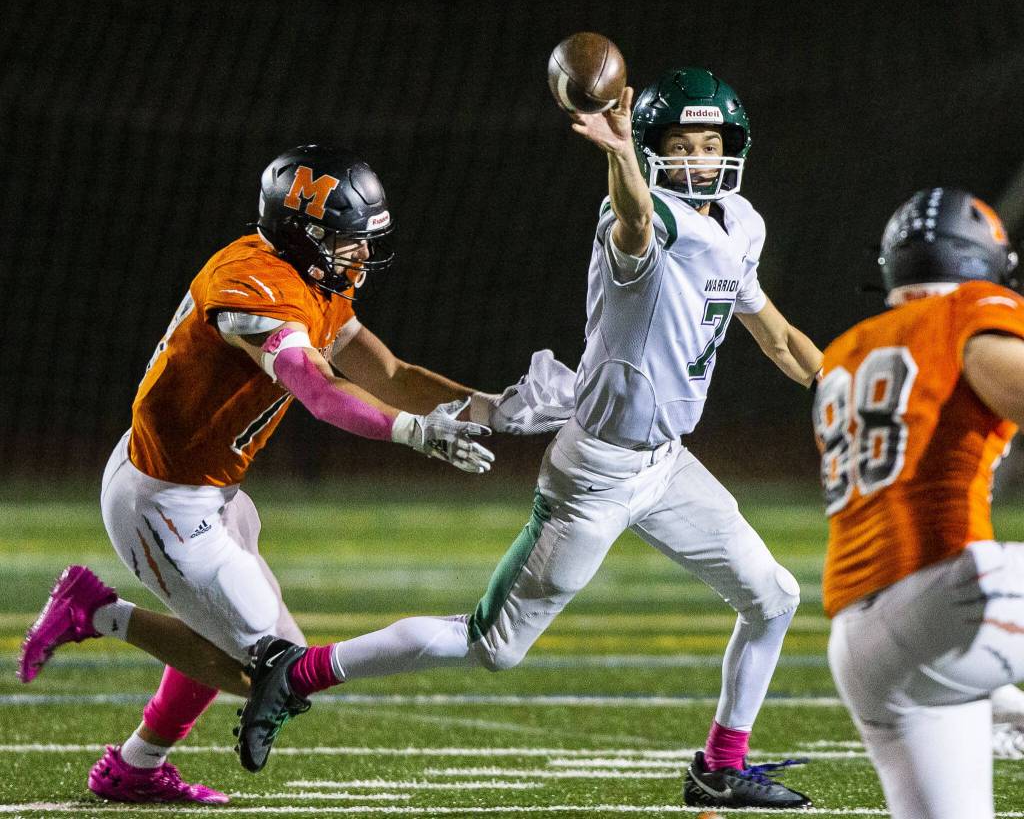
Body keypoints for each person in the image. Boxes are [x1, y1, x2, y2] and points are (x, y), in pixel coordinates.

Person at [236, 69, 823, 809]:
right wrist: (619, 155)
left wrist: (838, 389)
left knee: (773, 598)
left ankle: (720, 766)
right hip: (597, 473)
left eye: (710, 144)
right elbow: (637, 219)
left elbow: (775, 336)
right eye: (680, 145)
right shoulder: (644, 220)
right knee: (492, 647)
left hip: (669, 466)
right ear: (650, 151)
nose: (698, 160)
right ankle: (298, 672)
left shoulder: (739, 223)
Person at [17, 144, 524, 804]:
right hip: (164, 502)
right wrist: (413, 433)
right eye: (350, 243)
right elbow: (317, 390)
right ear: (304, 237)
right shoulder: (256, 285)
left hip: (208, 490)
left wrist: (502, 409)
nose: (363, 257)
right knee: (274, 669)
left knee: (229, 631)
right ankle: (98, 613)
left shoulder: (311, 281)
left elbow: (392, 375)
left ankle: (135, 768)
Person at [814, 187, 1024, 819]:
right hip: (950, 596)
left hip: (861, 642)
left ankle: (998, 696)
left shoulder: (846, 349)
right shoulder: (971, 306)